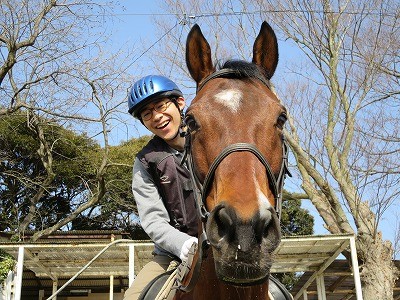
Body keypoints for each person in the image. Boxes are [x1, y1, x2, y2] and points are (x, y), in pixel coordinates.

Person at [124, 75, 199, 300]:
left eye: (161, 105)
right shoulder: (145, 161)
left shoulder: (211, 138)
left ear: (180, 103)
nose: (156, 116)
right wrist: (183, 244)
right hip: (174, 253)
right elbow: (152, 220)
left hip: (225, 243)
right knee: (133, 297)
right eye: (147, 114)